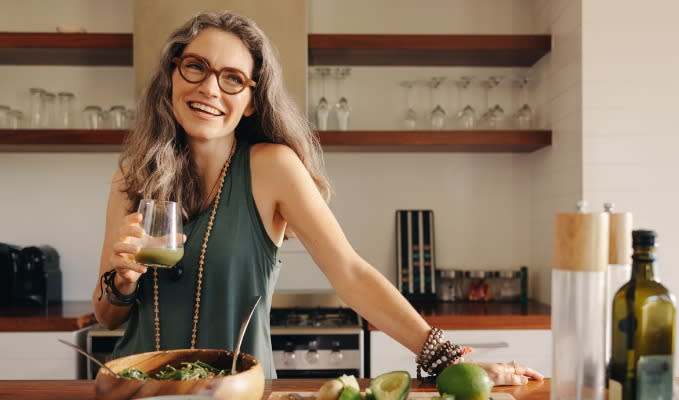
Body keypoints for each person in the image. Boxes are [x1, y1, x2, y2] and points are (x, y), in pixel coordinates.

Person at [92, 10, 544, 384]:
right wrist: (121, 282)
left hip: (236, 393)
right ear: (173, 72)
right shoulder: (133, 175)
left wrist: (447, 358)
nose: (210, 88)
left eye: (232, 78)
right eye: (196, 67)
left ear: (251, 100)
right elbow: (108, 315)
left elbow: (351, 274)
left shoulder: (272, 167)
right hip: (134, 390)